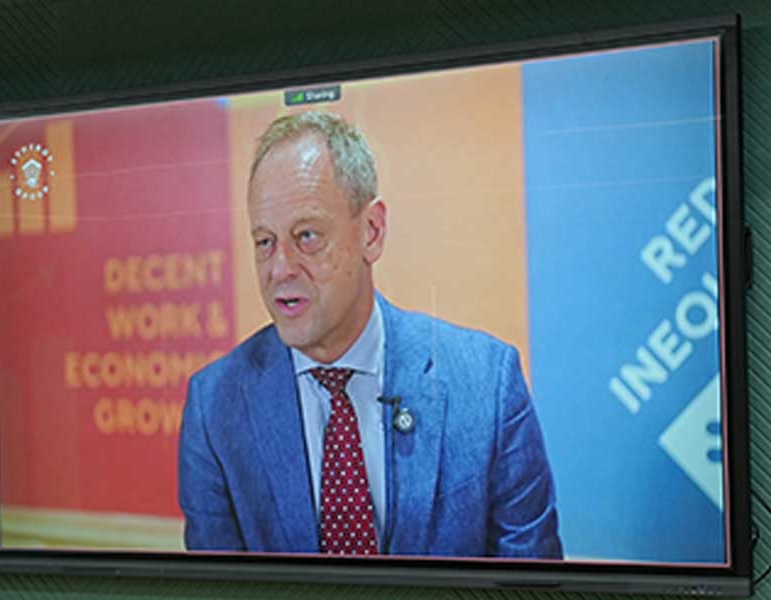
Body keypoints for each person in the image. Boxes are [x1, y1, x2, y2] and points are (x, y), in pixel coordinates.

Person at [178, 111, 562, 558]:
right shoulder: (215, 407)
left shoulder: (487, 384)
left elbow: (533, 580)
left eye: (306, 236)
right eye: (265, 241)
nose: (280, 269)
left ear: (372, 232)